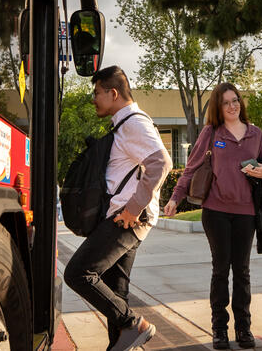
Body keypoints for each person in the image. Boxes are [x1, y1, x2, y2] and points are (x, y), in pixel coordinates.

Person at [63, 66, 173, 351]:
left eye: (97, 93)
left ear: (113, 93)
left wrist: (133, 209)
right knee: (115, 290)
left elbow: (161, 163)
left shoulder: (135, 123)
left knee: (78, 273)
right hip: (127, 217)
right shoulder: (126, 123)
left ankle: (135, 323)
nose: (93, 99)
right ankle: (123, 341)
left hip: (125, 219)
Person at [164, 82, 262, 349]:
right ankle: (219, 330)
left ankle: (244, 328)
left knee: (243, 271)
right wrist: (175, 198)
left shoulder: (255, 134)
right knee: (221, 269)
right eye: (226, 102)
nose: (233, 105)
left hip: (246, 213)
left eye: (235, 100)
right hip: (216, 212)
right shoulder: (211, 133)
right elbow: (191, 168)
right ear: (218, 107)